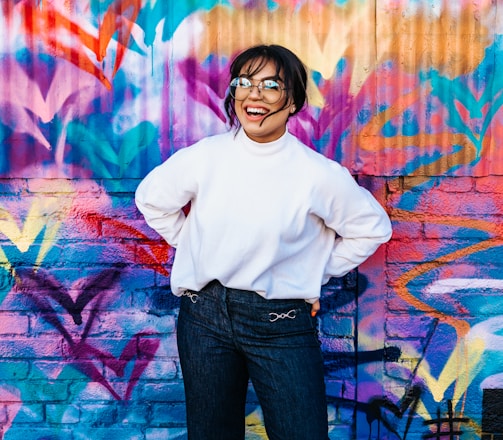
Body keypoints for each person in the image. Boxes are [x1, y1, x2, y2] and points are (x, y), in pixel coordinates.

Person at [135, 44, 392, 440]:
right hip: (204, 319)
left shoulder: (316, 174)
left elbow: (372, 228)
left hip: (281, 324)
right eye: (245, 83)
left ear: (293, 102)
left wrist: (315, 272)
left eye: (271, 85)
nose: (254, 94)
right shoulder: (207, 157)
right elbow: (152, 200)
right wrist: (193, 245)